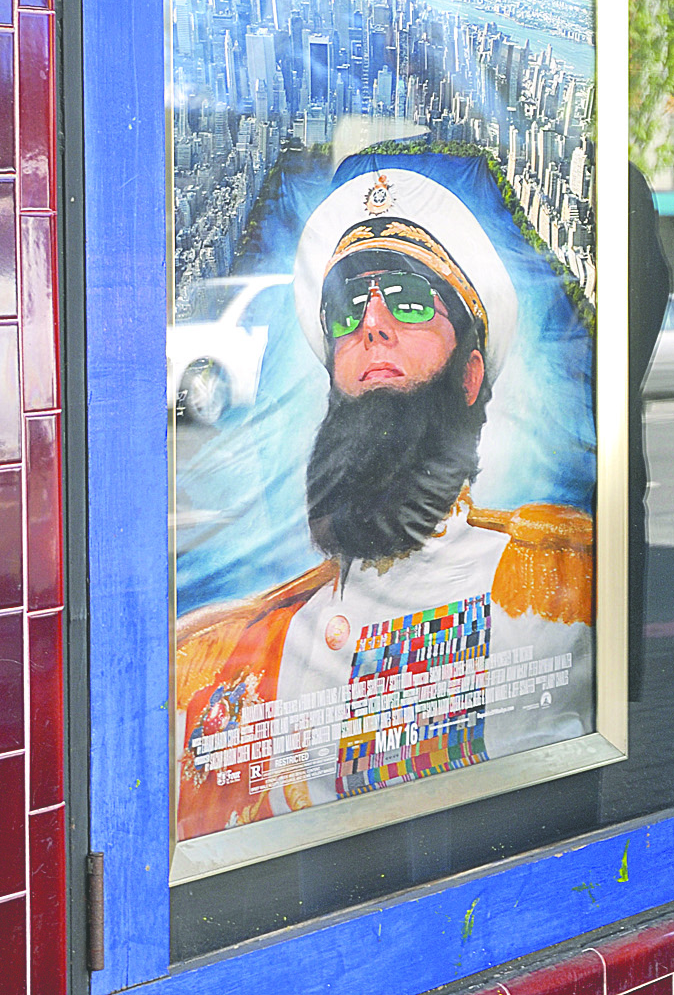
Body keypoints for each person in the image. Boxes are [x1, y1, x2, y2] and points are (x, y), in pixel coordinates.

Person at [173, 163, 595, 839]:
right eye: (348, 308)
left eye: (407, 299)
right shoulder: (221, 648)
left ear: (472, 373)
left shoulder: (551, 584)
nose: (371, 322)